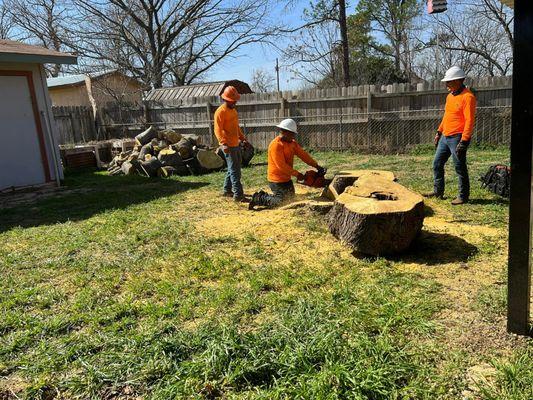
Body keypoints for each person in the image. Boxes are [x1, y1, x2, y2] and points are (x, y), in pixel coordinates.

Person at [425, 66, 477, 205]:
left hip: (457, 137)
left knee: (459, 167)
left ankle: (463, 196)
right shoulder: (450, 96)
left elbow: (469, 121)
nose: (447, 84)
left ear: (459, 80)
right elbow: (447, 116)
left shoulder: (468, 97)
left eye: (449, 81)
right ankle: (438, 191)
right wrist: (439, 132)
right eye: (447, 82)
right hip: (445, 137)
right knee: (437, 163)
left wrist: (465, 140)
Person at [248, 118, 325, 210]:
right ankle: (259, 197)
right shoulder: (276, 145)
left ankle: (271, 197)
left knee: (290, 200)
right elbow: (281, 166)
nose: (293, 136)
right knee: (281, 202)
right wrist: (298, 174)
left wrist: (316, 165)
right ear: (285, 132)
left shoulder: (292, 144)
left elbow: (303, 155)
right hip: (276, 180)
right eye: (292, 134)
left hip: (286, 180)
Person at [214, 85, 248, 202]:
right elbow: (217, 129)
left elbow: (236, 127)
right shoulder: (220, 112)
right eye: (233, 101)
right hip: (228, 145)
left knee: (233, 168)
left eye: (235, 101)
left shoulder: (233, 110)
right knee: (235, 171)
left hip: (236, 144)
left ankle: (227, 190)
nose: (235, 103)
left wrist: (242, 138)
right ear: (226, 99)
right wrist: (223, 144)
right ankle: (238, 195)